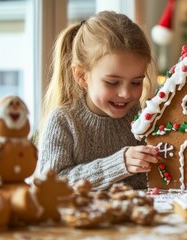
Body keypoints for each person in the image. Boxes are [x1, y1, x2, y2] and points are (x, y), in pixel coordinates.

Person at [33, 11, 158, 191]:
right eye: (112, 82)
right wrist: (119, 164)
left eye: (136, 82)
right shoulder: (63, 122)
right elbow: (51, 185)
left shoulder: (141, 117)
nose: (125, 93)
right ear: (82, 76)